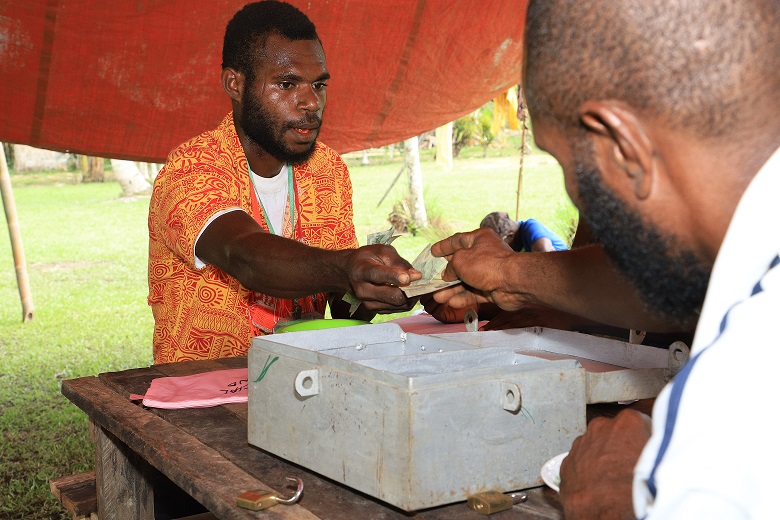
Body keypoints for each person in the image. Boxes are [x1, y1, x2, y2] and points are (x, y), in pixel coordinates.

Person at [431, 0, 780, 517]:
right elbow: (668, 283)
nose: (575, 194)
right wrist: (510, 275)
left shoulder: (744, 377)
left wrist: (608, 496)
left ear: (620, 145)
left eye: (563, 161)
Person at [147, 1, 420, 364]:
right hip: (203, 403)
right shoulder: (191, 169)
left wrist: (384, 285)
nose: (311, 102)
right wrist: (345, 268)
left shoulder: (327, 170)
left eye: (319, 85)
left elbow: (342, 306)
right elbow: (243, 255)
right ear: (235, 84)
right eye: (287, 84)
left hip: (302, 386)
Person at [480, 211, 568, 253]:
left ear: (510, 236)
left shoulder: (532, 228)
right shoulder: (515, 242)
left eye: (497, 244)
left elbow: (546, 256)